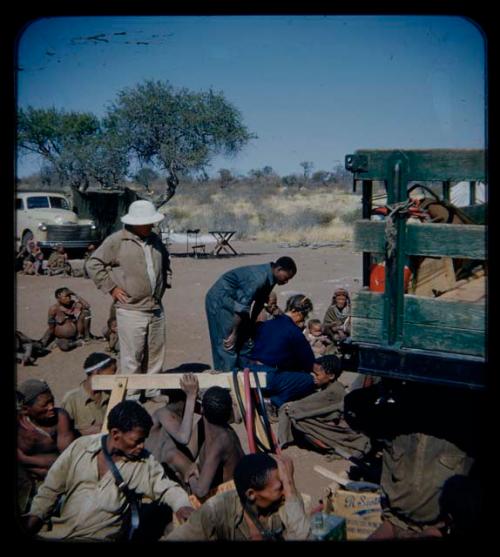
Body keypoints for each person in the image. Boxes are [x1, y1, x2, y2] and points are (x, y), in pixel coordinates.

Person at [23, 400, 193, 541]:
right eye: (137, 441)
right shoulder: (81, 447)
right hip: (56, 534)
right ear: (115, 434)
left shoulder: (144, 462)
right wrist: (34, 518)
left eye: (144, 440)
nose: (142, 446)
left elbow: (167, 488)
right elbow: (50, 490)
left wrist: (182, 506)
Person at [86, 200, 172, 402]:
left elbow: (165, 262)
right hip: (131, 309)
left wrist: (165, 281)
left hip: (156, 307)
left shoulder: (155, 240)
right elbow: (94, 264)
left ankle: (152, 390)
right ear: (134, 223)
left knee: (155, 353)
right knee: (132, 355)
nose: (151, 226)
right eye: (147, 222)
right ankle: (132, 394)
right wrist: (111, 288)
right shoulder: (117, 241)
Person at [167, 453, 311, 541]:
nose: (286, 493)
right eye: (280, 488)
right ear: (251, 494)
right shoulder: (215, 511)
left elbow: (303, 536)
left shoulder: (283, 502)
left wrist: (289, 483)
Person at [205, 256, 297, 371]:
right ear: (278, 269)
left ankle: (243, 374)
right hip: (221, 300)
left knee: (246, 342)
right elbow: (241, 308)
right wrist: (234, 333)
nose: (286, 281)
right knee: (228, 344)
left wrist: (251, 325)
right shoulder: (258, 279)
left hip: (236, 303)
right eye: (286, 277)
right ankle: (227, 379)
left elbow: (259, 303)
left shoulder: (272, 278)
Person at [278, 355, 370, 458]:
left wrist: (293, 407)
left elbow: (311, 406)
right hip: (338, 424)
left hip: (340, 430)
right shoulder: (331, 387)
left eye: (317, 375)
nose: (314, 377)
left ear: (331, 376)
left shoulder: (333, 392)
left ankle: (328, 446)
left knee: (298, 418)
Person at [250, 294, 317, 413]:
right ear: (295, 311)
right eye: (303, 315)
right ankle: (273, 402)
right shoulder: (294, 331)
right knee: (308, 380)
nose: (303, 319)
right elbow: (308, 363)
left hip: (250, 370)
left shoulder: (267, 324)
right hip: (269, 377)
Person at [17, 379, 76, 513]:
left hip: (56, 477)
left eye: (52, 401)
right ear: (26, 409)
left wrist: (26, 460)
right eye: (45, 404)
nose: (51, 407)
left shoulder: (60, 417)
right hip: (26, 479)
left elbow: (67, 460)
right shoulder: (19, 425)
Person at [186, 386, 245, 502]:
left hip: (231, 501)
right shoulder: (226, 431)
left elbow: (201, 491)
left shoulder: (219, 442)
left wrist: (191, 476)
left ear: (202, 409)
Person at [145, 373, 202, 487]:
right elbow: (184, 438)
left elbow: (234, 417)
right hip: (159, 468)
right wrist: (191, 396)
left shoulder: (185, 408)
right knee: (174, 455)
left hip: (173, 462)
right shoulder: (163, 413)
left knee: (207, 421)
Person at [61, 352, 118, 436]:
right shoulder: (71, 400)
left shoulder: (113, 394)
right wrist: (83, 432)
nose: (114, 378)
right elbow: (63, 434)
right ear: (97, 373)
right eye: (111, 375)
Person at [39, 287, 94, 351]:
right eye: (66, 296)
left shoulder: (73, 304)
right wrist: (45, 340)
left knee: (86, 312)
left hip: (76, 335)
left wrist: (75, 294)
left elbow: (87, 306)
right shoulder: (54, 309)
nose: (69, 298)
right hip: (63, 338)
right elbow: (51, 327)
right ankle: (75, 343)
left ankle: (86, 337)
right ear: (58, 298)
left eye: (70, 296)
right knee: (65, 346)